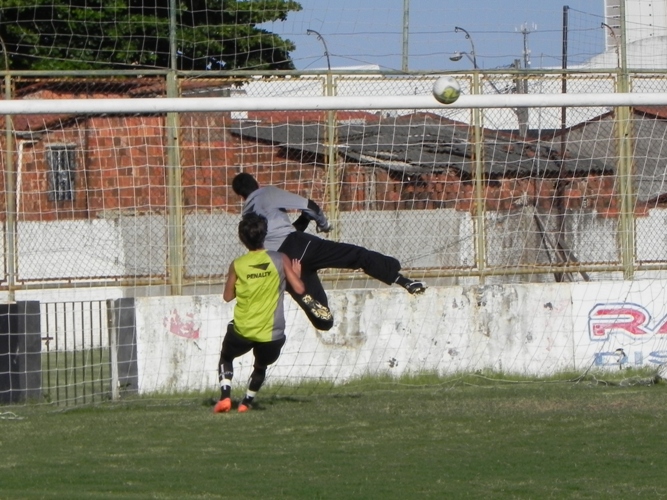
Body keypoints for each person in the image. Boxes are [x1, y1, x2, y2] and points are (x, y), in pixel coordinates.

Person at [231, 172, 426, 332]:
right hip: (302, 246)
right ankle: (402, 279)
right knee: (356, 256)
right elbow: (311, 206)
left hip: (284, 265)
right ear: (257, 183)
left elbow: (278, 237)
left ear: (240, 196)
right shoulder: (267, 193)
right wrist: (323, 224)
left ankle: (308, 298)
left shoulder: (247, 217)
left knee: (324, 321)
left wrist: (305, 220)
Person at [214, 212, 322, 413]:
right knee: (260, 366)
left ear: (242, 238)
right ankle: (246, 403)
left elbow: (227, 296)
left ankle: (225, 396)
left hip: (243, 330)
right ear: (265, 235)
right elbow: (299, 289)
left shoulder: (237, 264)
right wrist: (296, 274)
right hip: (273, 334)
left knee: (226, 356)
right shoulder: (280, 258)